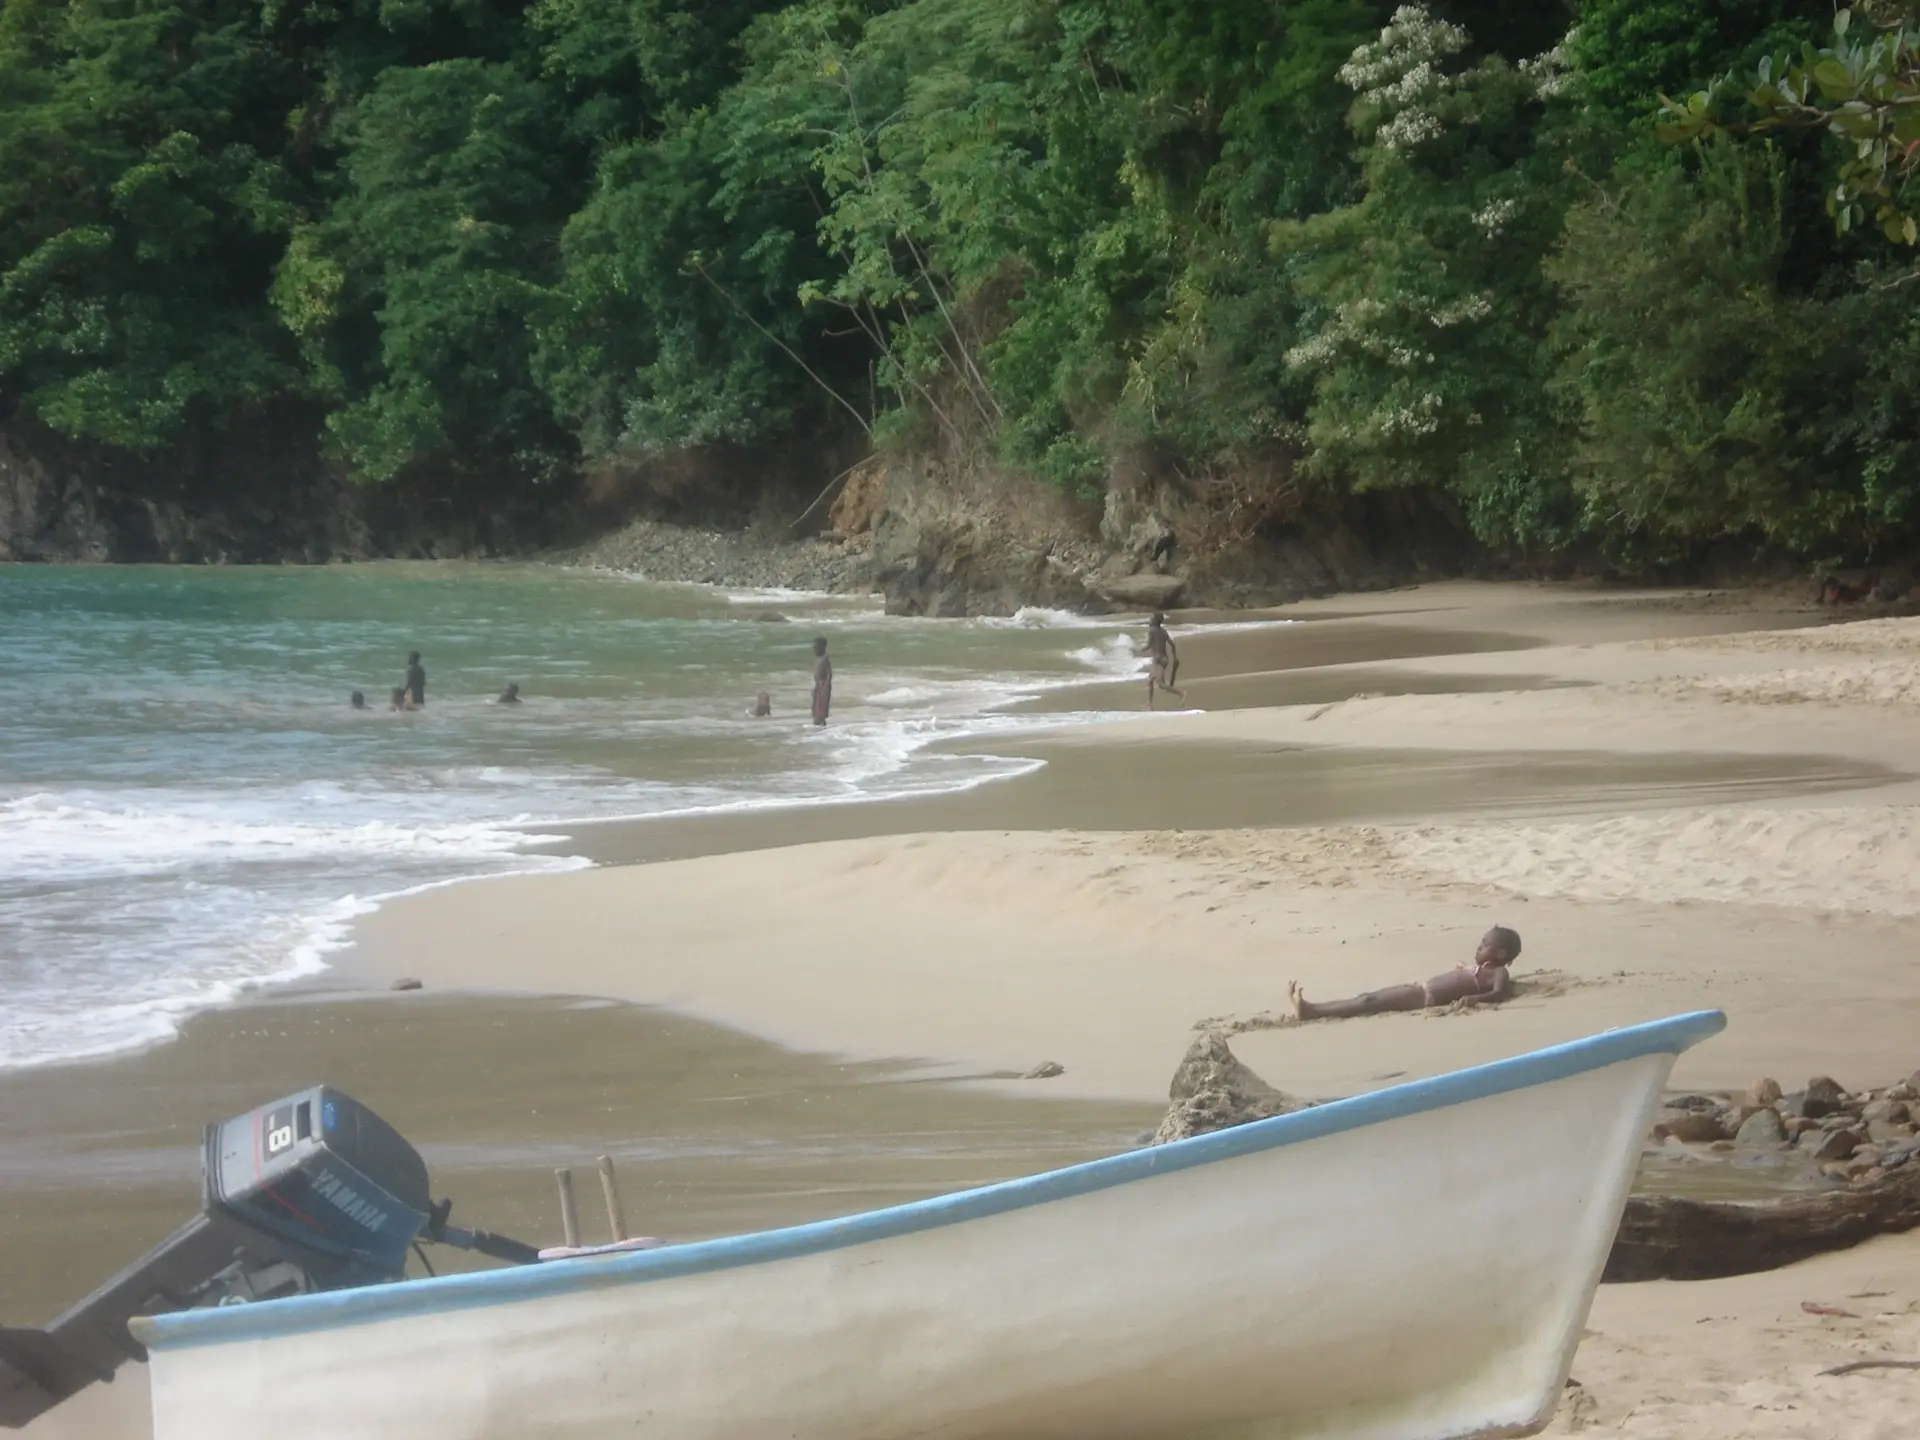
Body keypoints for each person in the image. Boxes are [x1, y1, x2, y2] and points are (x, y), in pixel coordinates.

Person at [1287, 926, 1522, 1022]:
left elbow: (1499, 993)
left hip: (1423, 998)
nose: (1478, 948)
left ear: (1501, 953)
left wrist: (1476, 999)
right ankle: (1313, 1009)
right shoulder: (1483, 970)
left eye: (1484, 945)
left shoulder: (1498, 972)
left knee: (1368, 1002)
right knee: (1367, 997)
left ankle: (1311, 1011)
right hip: (1419, 990)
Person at [1145, 611, 1185, 709]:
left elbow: (1148, 645)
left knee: (1161, 684)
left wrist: (1136, 650)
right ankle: (1150, 705)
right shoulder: (1163, 631)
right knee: (1150, 681)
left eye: (1151, 618)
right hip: (1164, 659)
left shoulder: (1152, 630)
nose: (1149, 619)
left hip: (1158, 660)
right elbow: (1172, 644)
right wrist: (1175, 657)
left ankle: (1182, 694)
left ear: (1154, 620)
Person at [810, 637, 833, 727]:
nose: (814, 649)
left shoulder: (825, 659)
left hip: (823, 686)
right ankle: (819, 727)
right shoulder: (819, 659)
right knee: (815, 709)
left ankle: (820, 726)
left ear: (822, 648)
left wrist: (825, 688)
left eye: (816, 647)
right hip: (818, 686)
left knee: (820, 711)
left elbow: (829, 675)